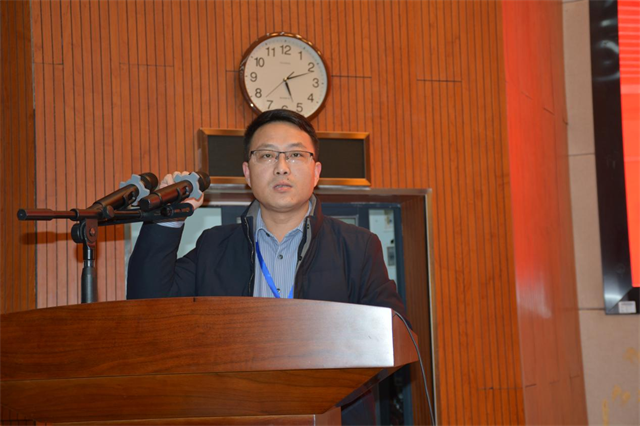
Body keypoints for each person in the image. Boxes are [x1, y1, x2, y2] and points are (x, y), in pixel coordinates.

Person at [127, 109, 408, 423]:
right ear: (247, 173)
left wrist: (321, 388)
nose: (281, 167)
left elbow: (394, 335)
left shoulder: (358, 247)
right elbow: (147, 307)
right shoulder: (214, 246)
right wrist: (166, 222)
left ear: (316, 172)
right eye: (267, 155)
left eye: (296, 154)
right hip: (235, 415)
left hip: (332, 416)